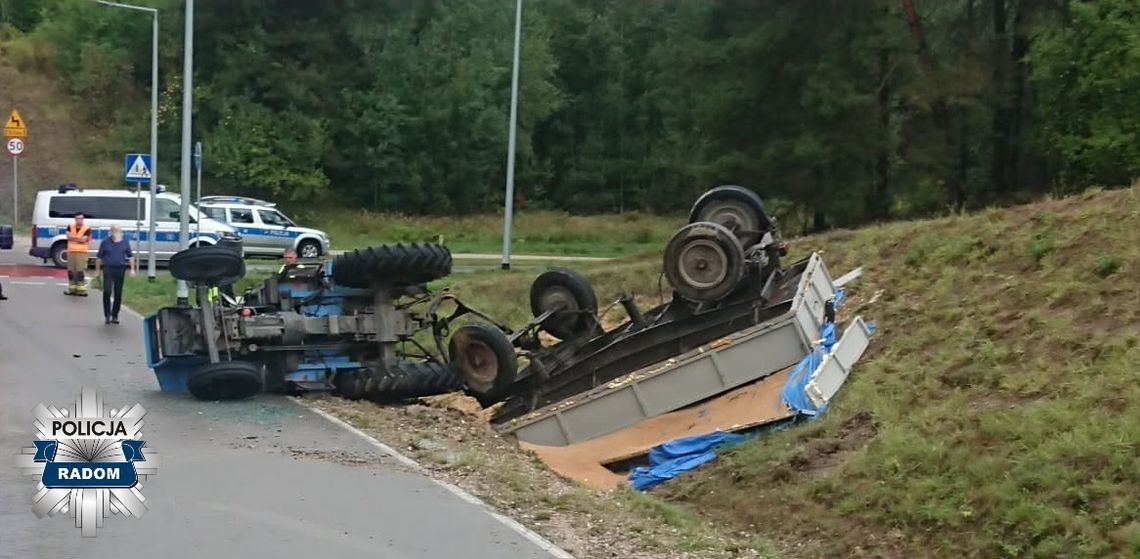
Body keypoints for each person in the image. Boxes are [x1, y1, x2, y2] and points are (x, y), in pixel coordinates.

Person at [95, 224, 136, 324]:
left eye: (117, 231)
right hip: (108, 268)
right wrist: (97, 270)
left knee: (118, 293)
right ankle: (107, 315)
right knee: (107, 291)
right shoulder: (105, 242)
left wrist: (132, 269)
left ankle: (115, 315)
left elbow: (130, 256)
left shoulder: (125, 242)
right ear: (111, 232)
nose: (115, 233)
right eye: (113, 231)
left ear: (120, 232)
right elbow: (99, 257)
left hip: (120, 269)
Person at [65, 213, 92, 296]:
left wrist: (73, 238)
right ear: (75, 219)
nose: (79, 220)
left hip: (81, 252)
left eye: (81, 218)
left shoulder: (87, 228)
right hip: (71, 251)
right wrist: (78, 239)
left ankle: (81, 291)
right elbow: (68, 237)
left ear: (83, 219)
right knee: (71, 271)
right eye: (78, 218)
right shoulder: (70, 226)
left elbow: (84, 239)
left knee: (80, 271)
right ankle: (72, 290)